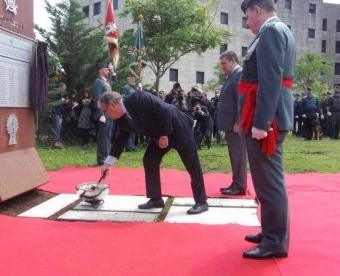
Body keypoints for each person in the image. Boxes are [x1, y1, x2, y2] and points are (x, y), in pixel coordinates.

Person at [238, 0, 295, 259]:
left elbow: (270, 79)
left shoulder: (271, 31)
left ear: (257, 10)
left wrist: (262, 123)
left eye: (248, 16)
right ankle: (270, 231)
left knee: (270, 183)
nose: (247, 22)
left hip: (265, 121)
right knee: (265, 181)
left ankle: (275, 241)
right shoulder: (275, 31)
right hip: (265, 117)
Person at [99, 91, 208, 215]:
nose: (105, 114)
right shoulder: (120, 118)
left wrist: (164, 135)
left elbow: (164, 110)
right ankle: (156, 199)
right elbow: (121, 138)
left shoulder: (138, 98)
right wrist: (107, 163)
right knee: (150, 160)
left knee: (192, 165)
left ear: (113, 105)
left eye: (105, 110)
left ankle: (201, 202)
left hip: (177, 127)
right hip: (159, 135)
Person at [215, 50, 247, 196]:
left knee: (238, 156)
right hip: (230, 124)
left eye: (224, 63)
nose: (222, 66)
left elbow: (241, 100)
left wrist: (238, 121)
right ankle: (236, 183)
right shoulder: (231, 76)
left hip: (235, 125)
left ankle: (239, 186)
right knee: (234, 156)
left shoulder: (238, 74)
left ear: (233, 60)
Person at [91, 63, 116, 165]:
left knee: (108, 136)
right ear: (100, 70)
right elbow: (97, 99)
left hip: (109, 113)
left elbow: (114, 83)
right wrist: (100, 114)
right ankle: (102, 159)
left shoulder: (106, 82)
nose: (108, 71)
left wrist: (113, 72)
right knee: (103, 137)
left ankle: (107, 157)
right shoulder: (98, 82)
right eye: (106, 70)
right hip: (104, 114)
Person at [48, 82, 67, 148]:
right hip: (55, 113)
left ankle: (57, 141)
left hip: (60, 113)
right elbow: (54, 104)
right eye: (63, 88)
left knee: (59, 128)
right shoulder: (55, 94)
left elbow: (60, 104)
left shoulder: (60, 95)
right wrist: (61, 101)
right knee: (55, 128)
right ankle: (54, 142)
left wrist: (64, 102)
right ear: (60, 87)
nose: (64, 90)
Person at [120, 76, 137, 151]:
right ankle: (129, 147)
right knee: (129, 128)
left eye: (134, 79)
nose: (133, 80)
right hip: (128, 110)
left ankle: (132, 146)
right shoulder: (125, 88)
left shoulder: (133, 88)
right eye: (131, 79)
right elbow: (123, 98)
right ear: (127, 80)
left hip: (133, 110)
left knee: (133, 128)